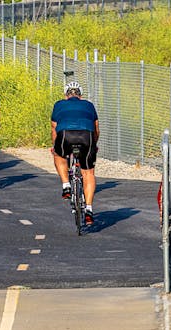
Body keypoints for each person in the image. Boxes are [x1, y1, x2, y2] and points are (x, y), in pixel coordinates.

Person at [51, 81, 99, 225]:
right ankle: (89, 208)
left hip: (65, 134)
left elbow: (54, 128)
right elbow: (96, 127)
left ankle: (66, 185)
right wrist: (93, 145)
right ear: (80, 95)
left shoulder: (59, 104)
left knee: (58, 155)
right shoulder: (89, 105)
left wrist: (55, 146)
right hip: (86, 136)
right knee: (88, 172)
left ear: (66, 95)